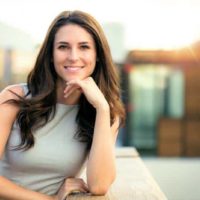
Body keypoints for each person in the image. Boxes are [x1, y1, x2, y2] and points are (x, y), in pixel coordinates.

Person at [0, 10, 125, 200]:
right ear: (50, 54)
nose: (73, 56)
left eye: (84, 47)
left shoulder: (105, 113)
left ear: (97, 55)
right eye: (63, 47)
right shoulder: (15, 98)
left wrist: (101, 107)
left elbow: (99, 185)